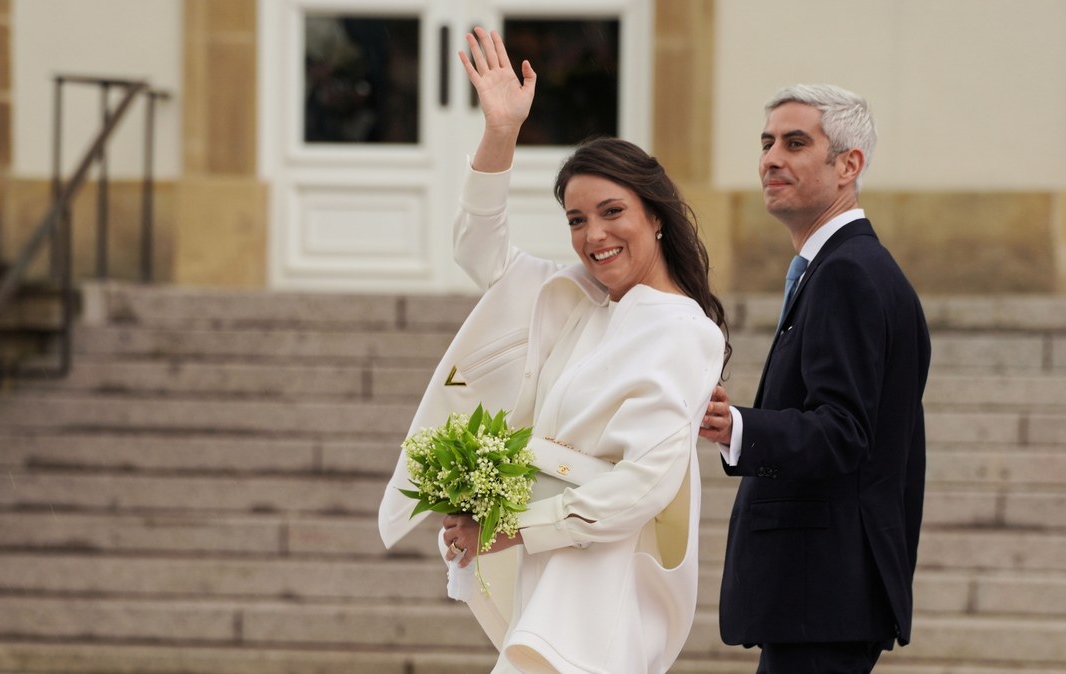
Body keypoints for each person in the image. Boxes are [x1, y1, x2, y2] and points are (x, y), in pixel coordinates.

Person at [378, 27, 728, 674]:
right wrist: (501, 132)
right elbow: (477, 250)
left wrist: (513, 527)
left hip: (602, 592)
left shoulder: (681, 329)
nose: (593, 235)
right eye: (575, 219)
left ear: (656, 214)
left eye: (611, 211)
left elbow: (642, 484)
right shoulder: (575, 298)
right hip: (556, 577)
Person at [698, 84, 931, 673]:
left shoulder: (848, 273)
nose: (771, 159)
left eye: (796, 143)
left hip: (824, 592)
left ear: (849, 164)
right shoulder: (841, 267)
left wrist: (740, 427)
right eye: (767, 142)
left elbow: (843, 431)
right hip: (823, 596)